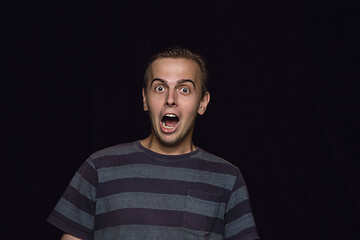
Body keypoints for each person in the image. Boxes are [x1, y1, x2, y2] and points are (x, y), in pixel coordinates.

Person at [47, 47, 259, 240]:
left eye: (184, 89)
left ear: (202, 103)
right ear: (145, 99)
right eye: (159, 88)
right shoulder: (99, 167)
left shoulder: (227, 178)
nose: (170, 99)